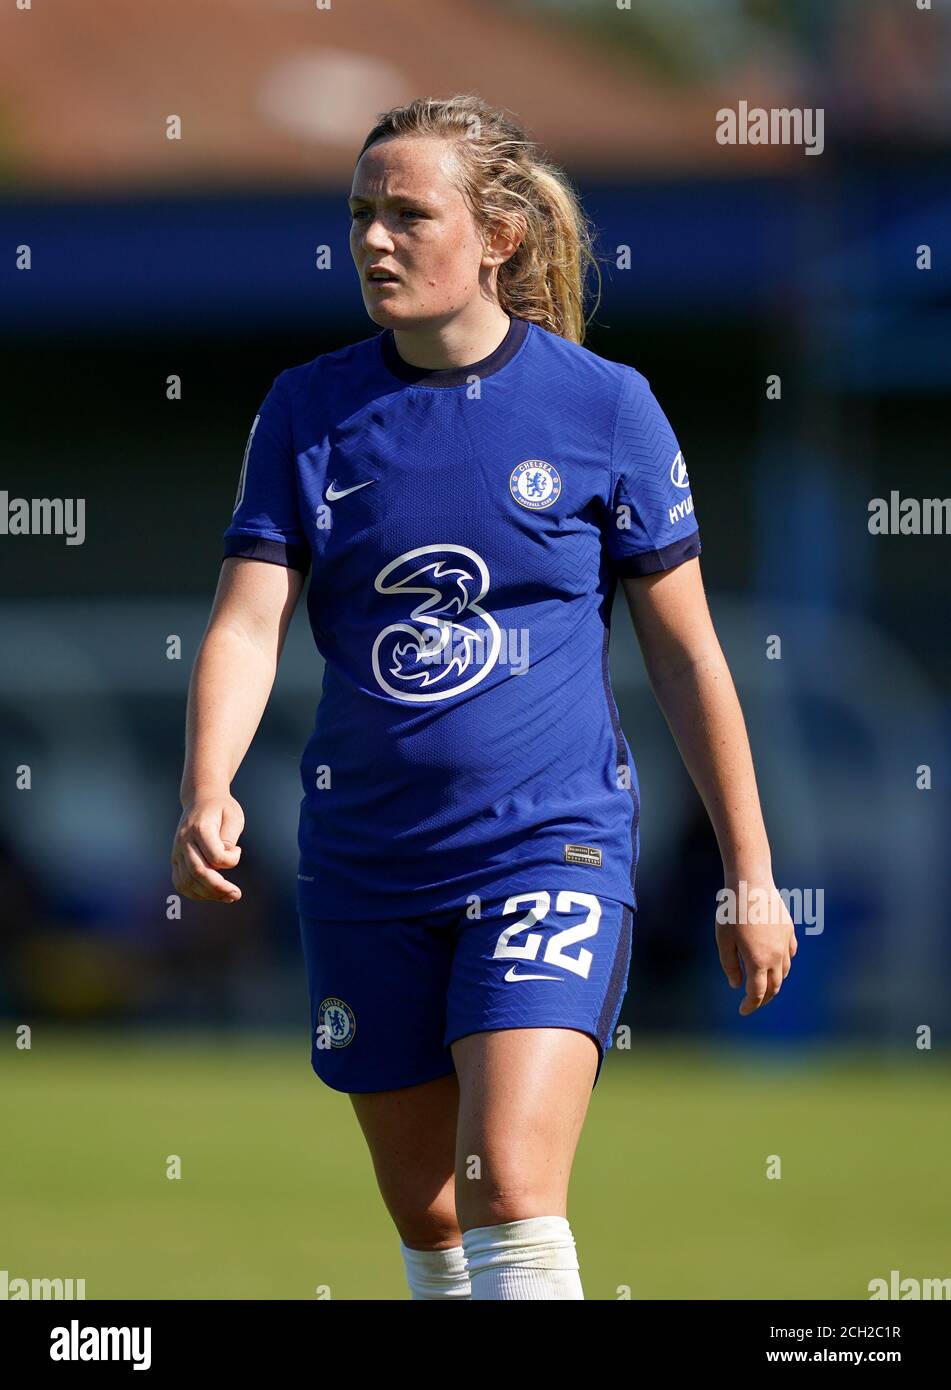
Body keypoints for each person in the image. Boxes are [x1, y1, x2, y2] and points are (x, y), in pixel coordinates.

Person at [171, 94, 797, 1301]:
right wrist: (207, 785)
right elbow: (248, 623)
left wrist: (751, 870)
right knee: (436, 1223)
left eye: (408, 213)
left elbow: (689, 656)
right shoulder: (309, 409)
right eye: (361, 214)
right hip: (365, 863)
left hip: (547, 848)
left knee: (510, 1181)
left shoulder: (605, 407)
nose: (374, 240)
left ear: (498, 235)